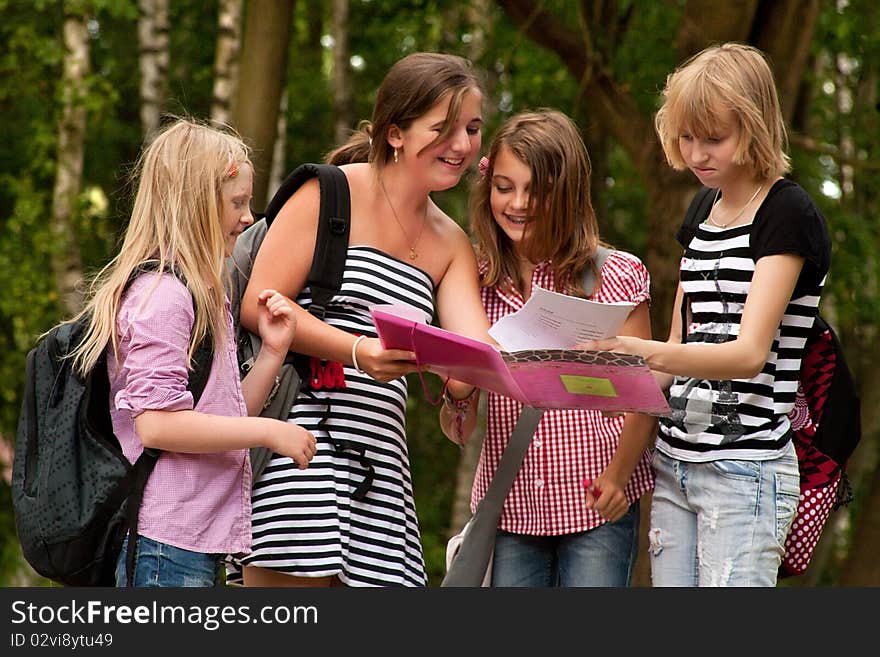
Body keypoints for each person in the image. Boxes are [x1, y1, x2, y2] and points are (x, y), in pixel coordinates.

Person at [580, 43, 831, 586]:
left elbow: (747, 354)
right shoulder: (701, 209)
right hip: (675, 463)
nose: (696, 154)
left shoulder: (786, 212)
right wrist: (602, 378)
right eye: (686, 137)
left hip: (746, 471)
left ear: (754, 126)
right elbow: (679, 346)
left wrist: (641, 351)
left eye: (713, 138)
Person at [236, 52, 491, 587]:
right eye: (442, 129)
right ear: (396, 133)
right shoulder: (327, 193)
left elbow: (473, 356)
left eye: (471, 129)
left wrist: (466, 383)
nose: (464, 145)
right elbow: (260, 303)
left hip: (381, 471)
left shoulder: (451, 245)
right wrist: (357, 351)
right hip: (299, 447)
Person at [67, 118, 317, 587]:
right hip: (164, 542)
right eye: (237, 203)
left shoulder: (204, 293)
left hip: (194, 541)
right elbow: (158, 424)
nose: (248, 218)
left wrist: (272, 355)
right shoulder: (163, 296)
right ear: (195, 206)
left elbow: (221, 413)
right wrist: (271, 431)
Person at [440, 109, 658, 587]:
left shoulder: (615, 274)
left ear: (568, 193)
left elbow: (643, 396)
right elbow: (459, 430)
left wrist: (619, 477)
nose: (518, 203)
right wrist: (458, 393)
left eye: (535, 190)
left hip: (595, 500)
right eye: (504, 187)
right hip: (510, 509)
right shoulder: (472, 282)